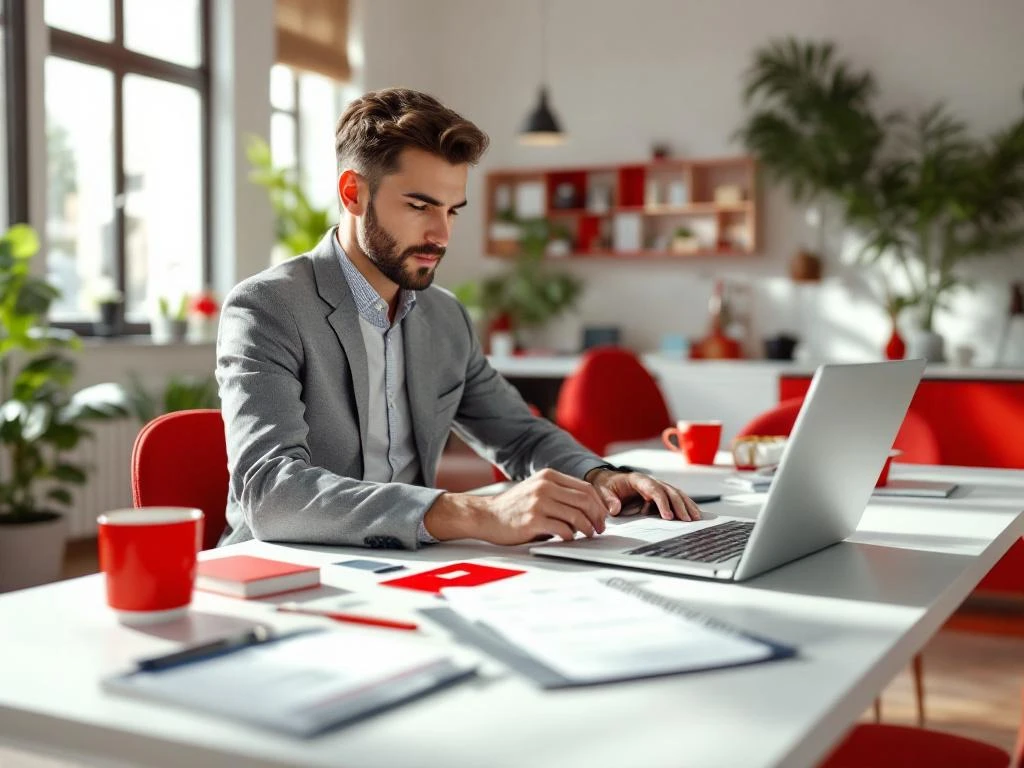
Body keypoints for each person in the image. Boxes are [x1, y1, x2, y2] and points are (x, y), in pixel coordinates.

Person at [216, 88, 703, 550]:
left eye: (452, 211)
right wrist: (475, 514)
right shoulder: (267, 308)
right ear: (353, 194)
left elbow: (518, 434)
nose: (441, 234)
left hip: (407, 565)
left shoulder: (444, 316)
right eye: (419, 206)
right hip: (289, 573)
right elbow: (271, 492)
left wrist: (600, 476)